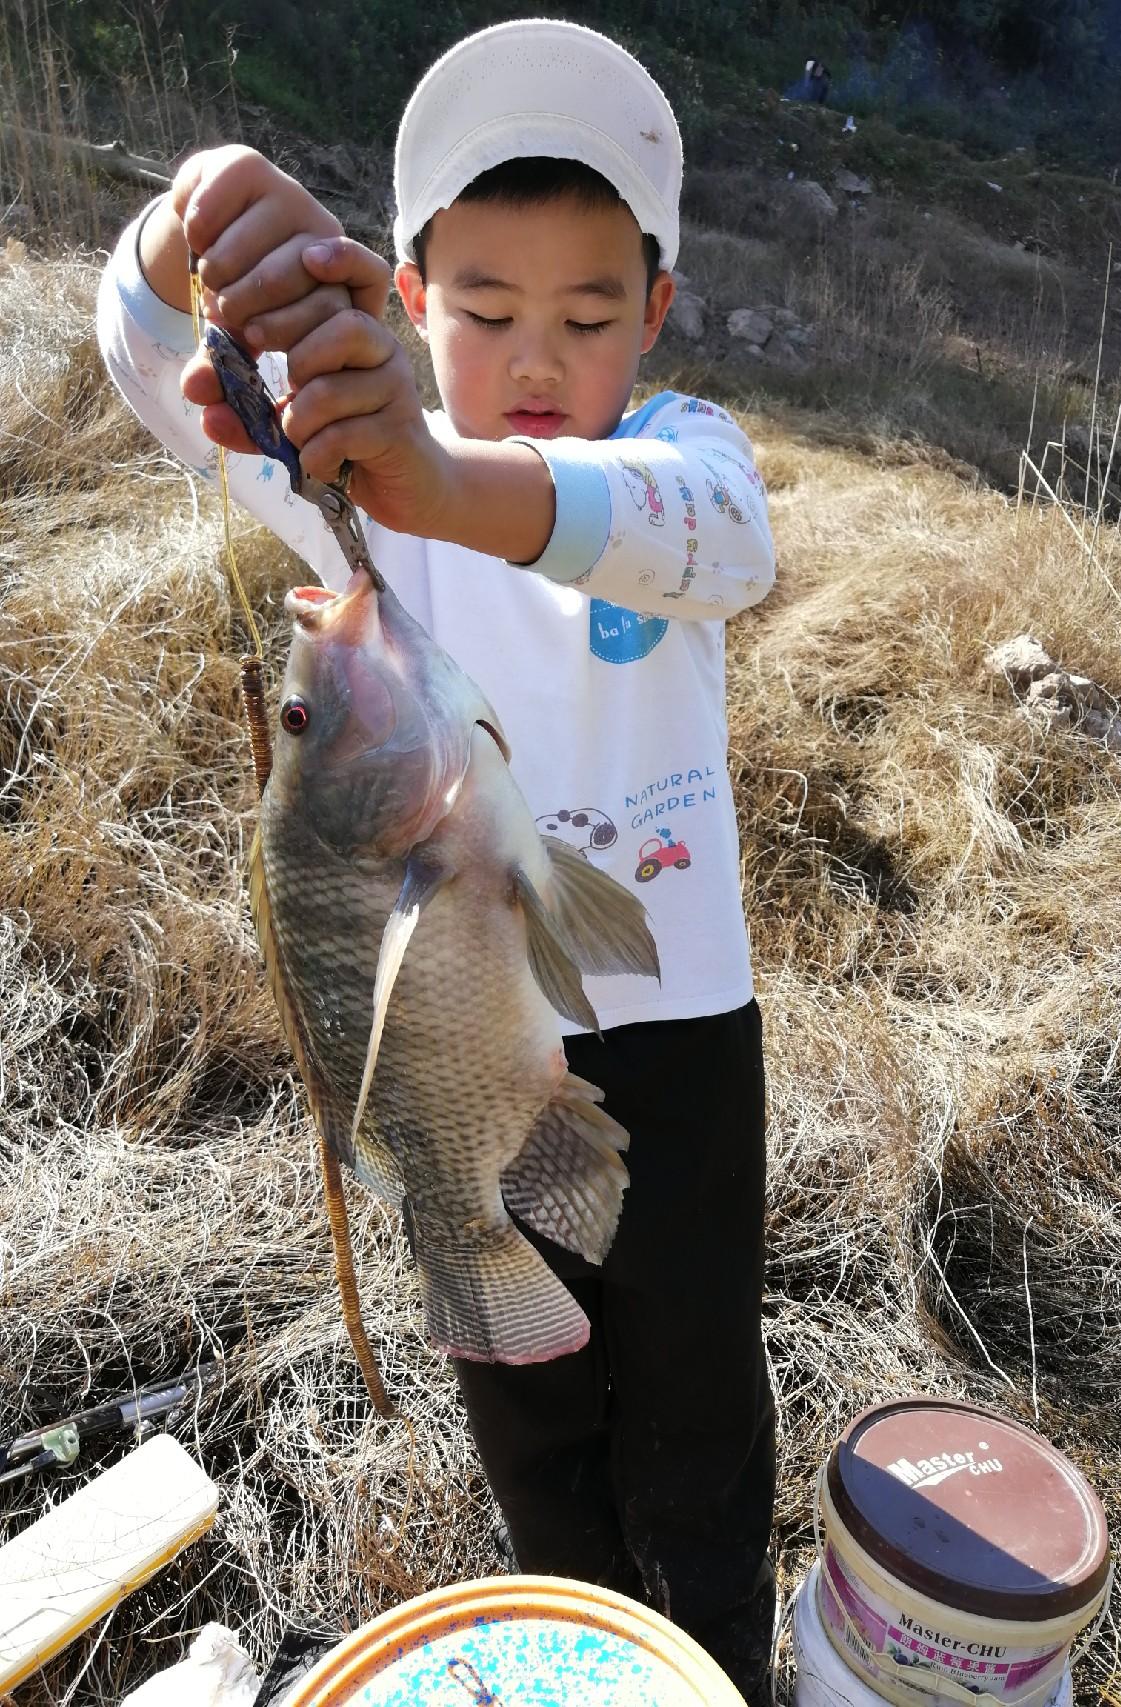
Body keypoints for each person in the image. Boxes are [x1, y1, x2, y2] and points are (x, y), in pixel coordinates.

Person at [96, 18, 778, 1704]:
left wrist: (450, 468)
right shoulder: (351, 480)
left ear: (660, 316)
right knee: (527, 1384)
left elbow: (730, 547)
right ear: (409, 300)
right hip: (453, 1039)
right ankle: (581, 1632)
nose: (536, 353)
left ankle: (709, 1653)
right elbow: (136, 348)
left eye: (589, 314)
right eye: (482, 313)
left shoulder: (675, 460)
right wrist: (189, 221)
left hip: (674, 1019)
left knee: (692, 1370)